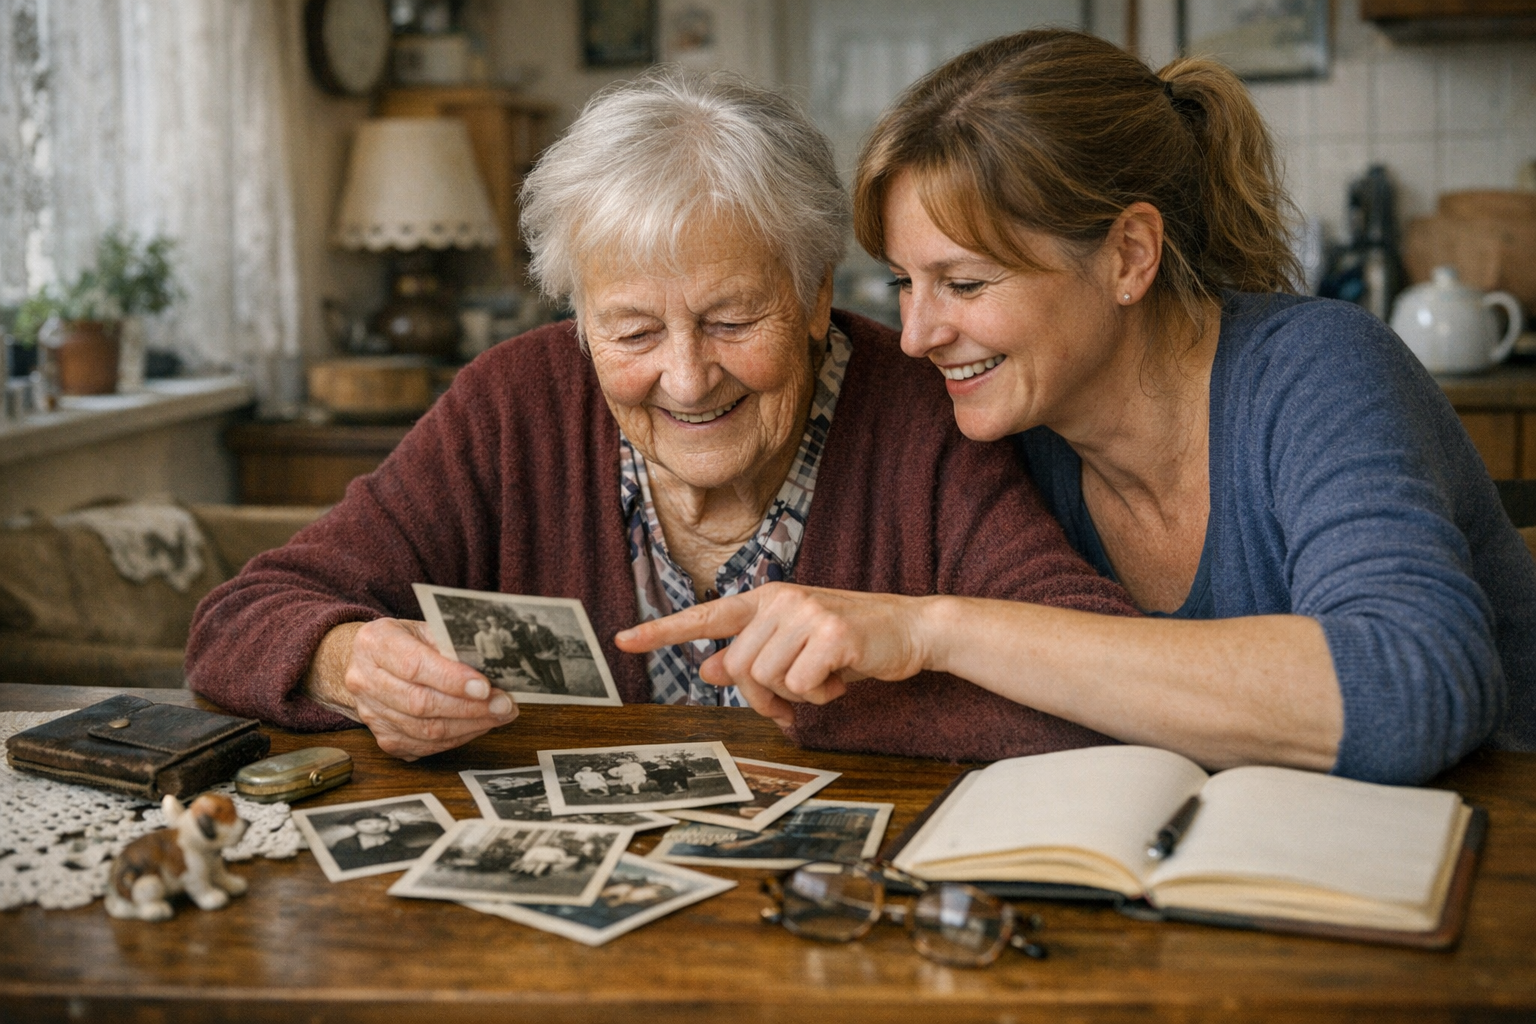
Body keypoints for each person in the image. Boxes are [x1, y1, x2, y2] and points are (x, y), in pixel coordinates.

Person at [618, 31, 1536, 786]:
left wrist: (936, 627)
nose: (917, 335)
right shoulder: (1024, 431)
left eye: (965, 283)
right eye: (905, 283)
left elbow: (1405, 694)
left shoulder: (1318, 370)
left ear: (1130, 255)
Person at [185, 67, 1134, 763]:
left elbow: (1103, 686)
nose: (685, 380)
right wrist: (347, 661)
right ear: (579, 323)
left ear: (813, 296)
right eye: (633, 331)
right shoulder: (515, 403)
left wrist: (851, 699)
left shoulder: (923, 414)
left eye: (732, 321)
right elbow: (239, 618)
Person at [522, 613, 569, 695]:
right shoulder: (524, 630)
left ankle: (562, 688)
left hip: (550, 653)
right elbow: (526, 643)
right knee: (546, 671)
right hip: (538, 655)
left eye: (532, 619)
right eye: (528, 620)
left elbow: (555, 642)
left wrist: (551, 652)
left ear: (535, 619)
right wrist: (534, 653)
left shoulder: (545, 629)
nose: (530, 621)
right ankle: (553, 688)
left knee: (557, 670)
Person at [472, 617, 515, 684]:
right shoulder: (478, 636)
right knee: (492, 675)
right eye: (480, 625)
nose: (483, 627)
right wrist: (483, 660)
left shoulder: (494, 634)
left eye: (484, 625)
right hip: (488, 657)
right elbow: (480, 649)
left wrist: (501, 654)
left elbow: (499, 644)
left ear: (488, 625)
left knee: (501, 674)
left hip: (498, 656)